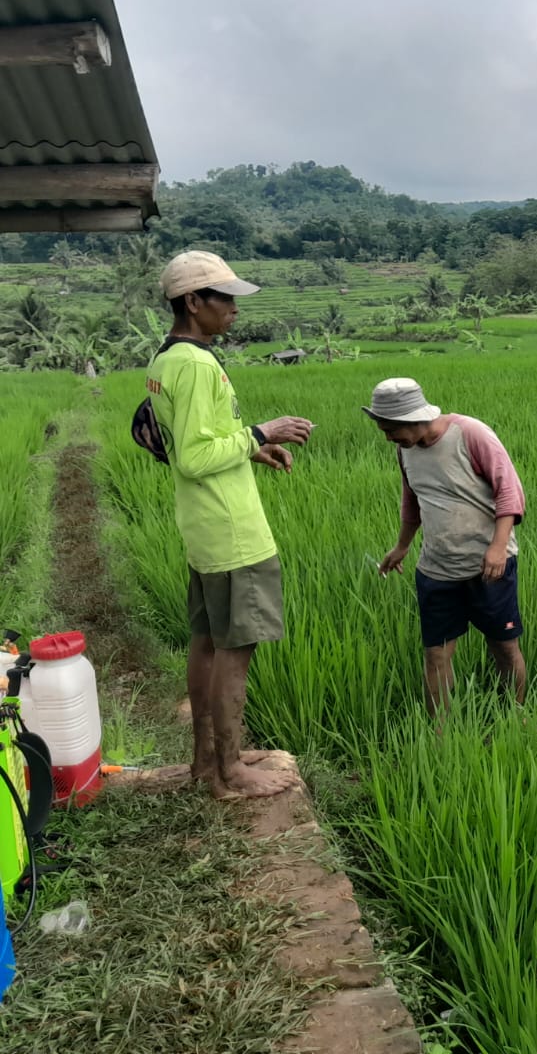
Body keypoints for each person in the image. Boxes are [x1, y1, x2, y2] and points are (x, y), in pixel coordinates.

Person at [146, 250, 312, 799]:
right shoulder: (195, 365)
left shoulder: (167, 359)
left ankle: (204, 762)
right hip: (232, 530)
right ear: (193, 303)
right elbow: (193, 456)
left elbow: (194, 443)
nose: (235, 309)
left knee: (208, 643)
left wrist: (250, 453)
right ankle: (230, 771)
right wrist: (262, 433)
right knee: (236, 649)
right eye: (225, 299)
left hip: (204, 525)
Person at [368, 379, 528, 715]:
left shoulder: (471, 434)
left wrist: (498, 547)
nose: (387, 438)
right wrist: (401, 547)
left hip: (489, 568)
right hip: (436, 570)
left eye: (390, 429)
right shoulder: (405, 450)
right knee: (436, 654)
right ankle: (440, 733)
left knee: (503, 647)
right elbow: (412, 501)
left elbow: (509, 492)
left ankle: (516, 717)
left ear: (411, 419)